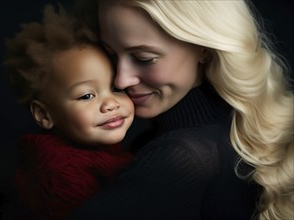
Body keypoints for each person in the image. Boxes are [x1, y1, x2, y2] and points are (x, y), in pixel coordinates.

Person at [66, 1, 294, 220]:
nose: (122, 79)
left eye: (144, 58)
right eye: (112, 55)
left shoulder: (181, 158)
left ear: (203, 48)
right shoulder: (232, 125)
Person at [3, 4, 134, 220]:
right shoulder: (62, 177)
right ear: (45, 115)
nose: (110, 104)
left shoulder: (102, 150)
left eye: (116, 88)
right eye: (87, 96)